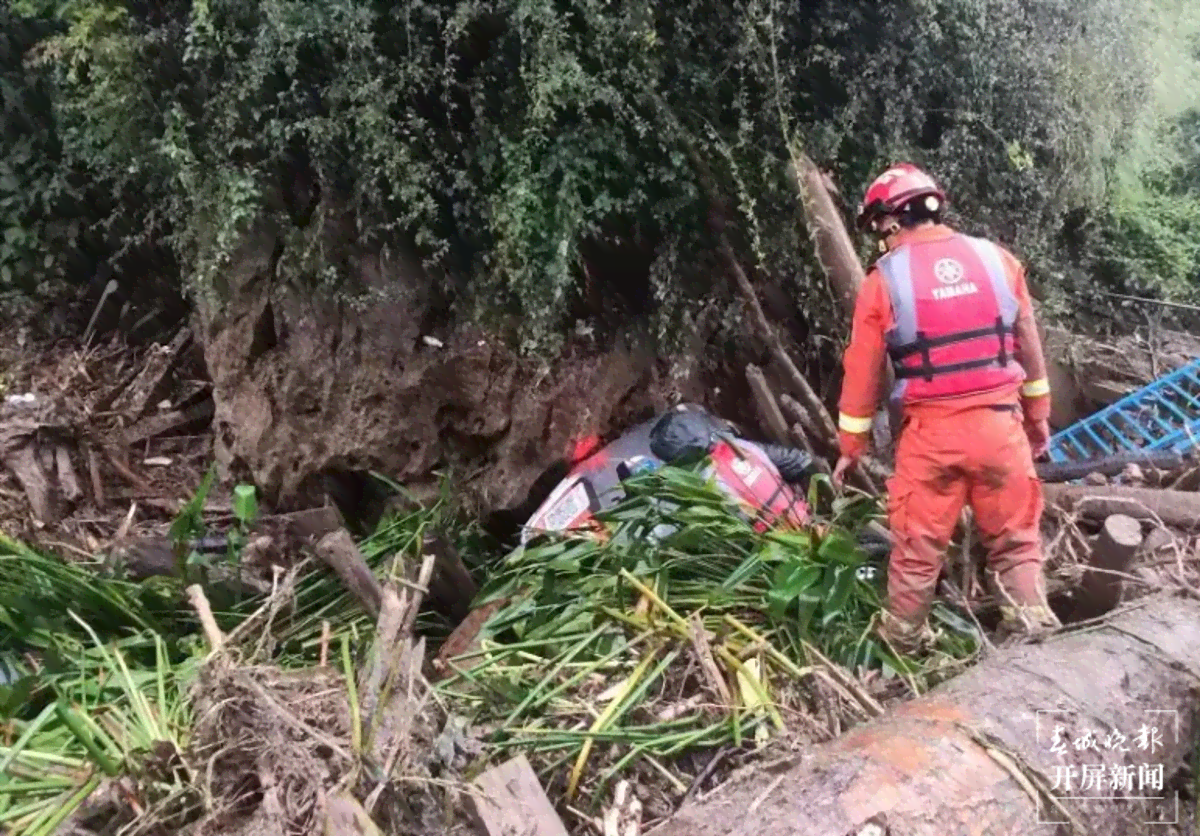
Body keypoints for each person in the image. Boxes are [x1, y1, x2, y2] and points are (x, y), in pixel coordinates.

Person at [832, 163, 1059, 654]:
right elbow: (1029, 346)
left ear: (891, 220)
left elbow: (862, 373)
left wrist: (852, 445)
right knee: (1017, 543)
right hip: (1001, 430)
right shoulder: (999, 260)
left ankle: (903, 645)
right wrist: (1039, 419)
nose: (880, 238)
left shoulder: (883, 281)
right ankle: (1035, 635)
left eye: (878, 227)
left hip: (932, 440)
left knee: (916, 551)